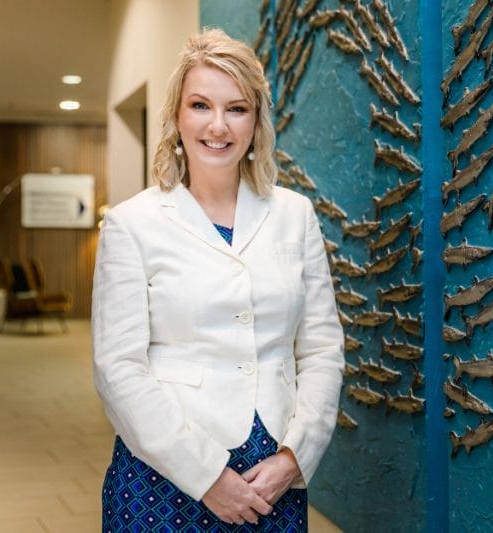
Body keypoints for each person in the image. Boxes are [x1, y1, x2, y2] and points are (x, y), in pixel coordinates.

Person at [92, 28, 345, 531]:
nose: (218, 125)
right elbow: (117, 369)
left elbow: (320, 349)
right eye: (201, 105)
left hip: (270, 477)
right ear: (177, 117)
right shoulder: (132, 224)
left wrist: (295, 458)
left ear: (256, 121)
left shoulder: (296, 215)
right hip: (163, 475)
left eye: (237, 108)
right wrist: (208, 476)